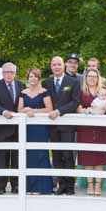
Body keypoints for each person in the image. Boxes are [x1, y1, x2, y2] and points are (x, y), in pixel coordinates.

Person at [43, 55, 81, 195]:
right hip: (52, 126)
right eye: (54, 64)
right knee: (57, 155)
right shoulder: (46, 83)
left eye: (59, 64)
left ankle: (70, 187)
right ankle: (61, 185)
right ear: (51, 66)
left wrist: (59, 111)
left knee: (68, 155)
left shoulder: (73, 82)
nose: (57, 67)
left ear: (63, 65)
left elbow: (75, 102)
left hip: (67, 125)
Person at [19, 67, 54, 195]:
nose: (32, 78)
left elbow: (49, 108)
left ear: (38, 78)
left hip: (41, 128)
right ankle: (30, 187)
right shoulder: (23, 92)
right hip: (28, 129)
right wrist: (26, 110)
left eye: (35, 76)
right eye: (30, 76)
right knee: (29, 155)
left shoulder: (44, 92)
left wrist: (35, 111)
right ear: (27, 78)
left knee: (41, 154)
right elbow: (19, 109)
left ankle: (43, 187)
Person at [76, 68, 106, 195]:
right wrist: (89, 111)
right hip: (85, 128)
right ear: (86, 78)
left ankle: (98, 185)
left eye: (94, 76)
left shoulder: (103, 91)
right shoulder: (81, 92)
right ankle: (90, 185)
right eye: (89, 76)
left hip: (101, 129)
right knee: (87, 157)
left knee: (100, 157)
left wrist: (103, 106)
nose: (92, 78)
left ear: (98, 78)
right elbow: (78, 107)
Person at [0, 63, 20, 194]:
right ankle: (1, 186)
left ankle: (15, 185)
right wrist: (3, 112)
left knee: (16, 158)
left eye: (11, 72)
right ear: (2, 73)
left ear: (15, 73)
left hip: (18, 128)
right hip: (2, 127)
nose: (9, 74)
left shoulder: (21, 86)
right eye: (6, 72)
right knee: (1, 157)